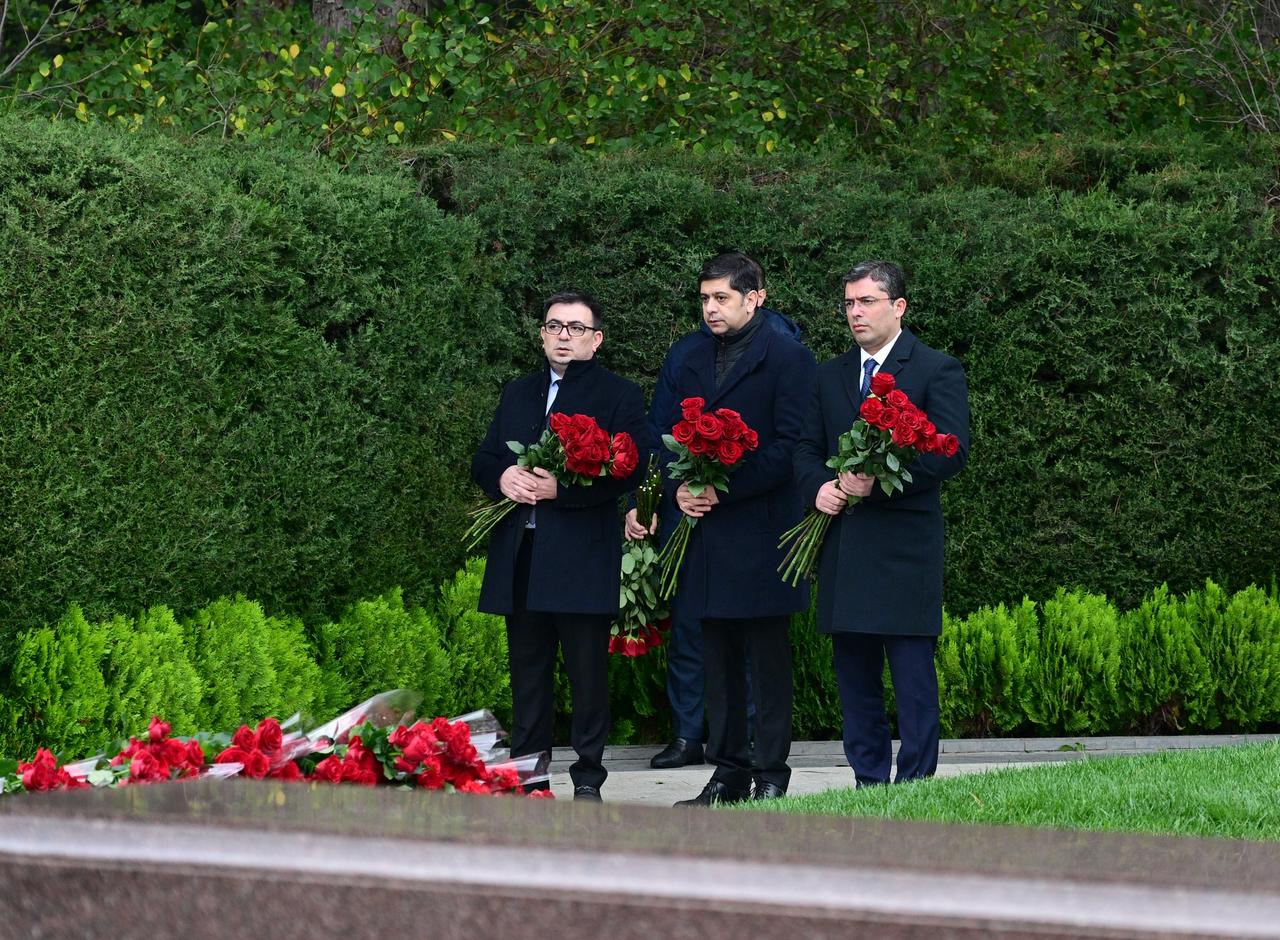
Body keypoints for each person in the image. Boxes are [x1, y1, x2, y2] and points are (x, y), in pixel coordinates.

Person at [793, 260, 969, 786]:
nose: (855, 312)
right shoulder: (828, 374)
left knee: (912, 679)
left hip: (905, 549)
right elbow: (804, 448)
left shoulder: (936, 369)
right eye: (849, 303)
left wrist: (883, 481)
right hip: (844, 547)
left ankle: (915, 784)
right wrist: (818, 486)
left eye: (867, 301)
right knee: (855, 679)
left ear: (899, 306)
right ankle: (868, 782)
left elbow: (951, 452)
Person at [626, 258, 804, 770]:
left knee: (750, 642)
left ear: (755, 298)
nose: (710, 308)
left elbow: (791, 446)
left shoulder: (788, 356)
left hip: (755, 524)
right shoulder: (687, 353)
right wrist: (670, 491)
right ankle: (690, 736)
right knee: (691, 628)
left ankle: (750, 747)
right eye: (704, 298)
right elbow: (659, 433)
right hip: (691, 518)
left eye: (721, 298)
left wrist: (721, 490)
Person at [472, 291, 647, 802]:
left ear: (596, 339)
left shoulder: (619, 395)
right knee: (528, 673)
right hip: (522, 552)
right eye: (554, 326)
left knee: (587, 673)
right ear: (542, 334)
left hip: (580, 555)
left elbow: (629, 470)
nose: (563, 336)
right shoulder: (518, 392)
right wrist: (503, 477)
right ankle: (530, 776)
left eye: (575, 328)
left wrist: (561, 491)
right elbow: (484, 458)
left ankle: (588, 776)